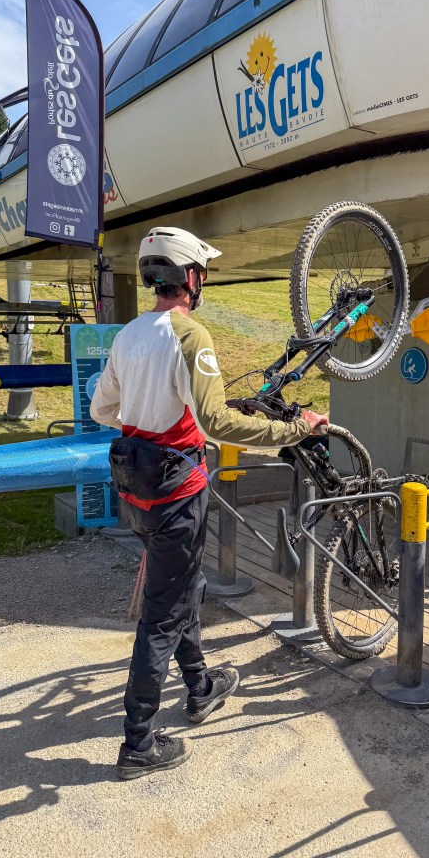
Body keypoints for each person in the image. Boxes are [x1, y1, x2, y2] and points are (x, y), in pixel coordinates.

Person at [90, 227, 328, 780]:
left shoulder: (128, 335)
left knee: (183, 588)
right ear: (189, 277)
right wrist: (293, 429)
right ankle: (138, 743)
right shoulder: (191, 336)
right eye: (202, 273)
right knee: (162, 615)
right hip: (177, 496)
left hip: (137, 493)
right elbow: (216, 423)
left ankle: (199, 687)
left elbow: (105, 410)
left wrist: (150, 405)